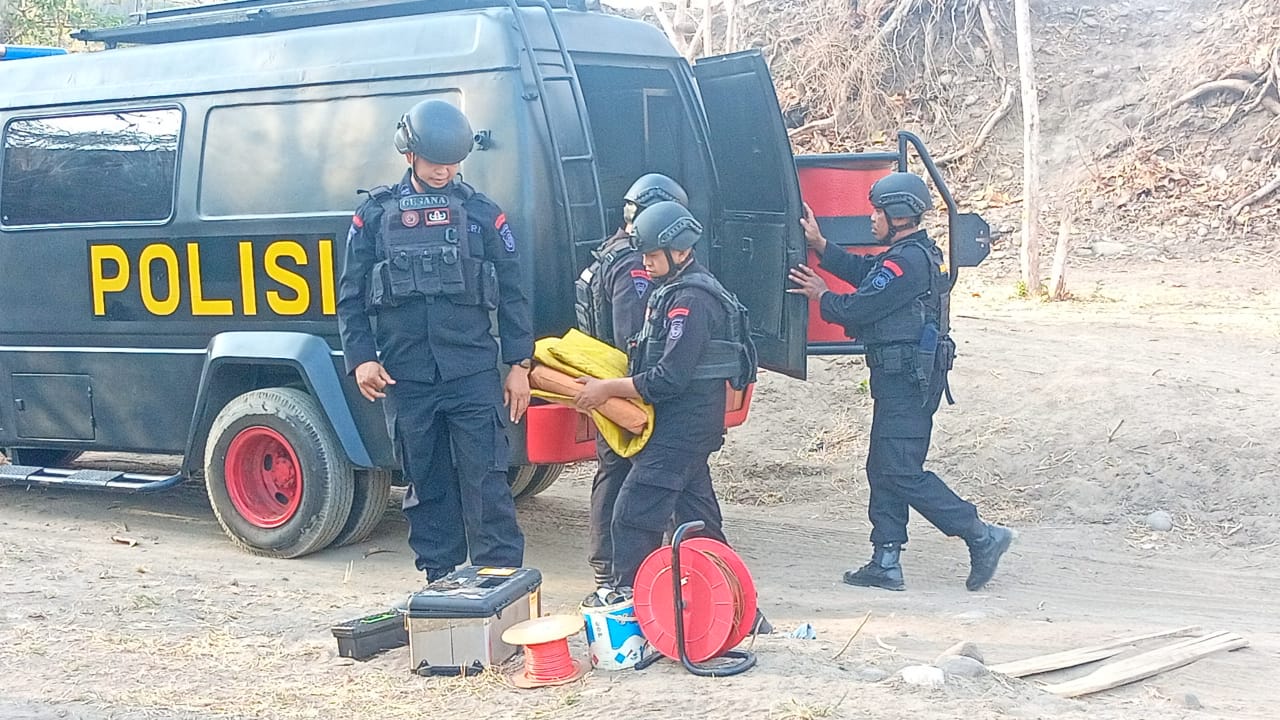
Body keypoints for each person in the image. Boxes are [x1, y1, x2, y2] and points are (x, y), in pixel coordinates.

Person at [336, 99, 534, 582]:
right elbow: (351, 295)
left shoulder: (483, 215)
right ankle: (440, 583)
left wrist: (519, 364)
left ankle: (500, 581)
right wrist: (361, 358)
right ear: (410, 157)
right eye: (434, 163)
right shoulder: (375, 216)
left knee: (488, 480)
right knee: (426, 484)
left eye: (453, 163)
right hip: (407, 376)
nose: (445, 171)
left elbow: (513, 293)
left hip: (470, 373)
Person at [787, 172, 1013, 592]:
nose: (871, 218)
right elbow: (867, 272)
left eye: (878, 211)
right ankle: (885, 560)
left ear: (898, 214)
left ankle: (980, 534)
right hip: (900, 378)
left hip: (907, 381)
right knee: (884, 467)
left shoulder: (906, 261)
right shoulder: (908, 254)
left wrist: (822, 296)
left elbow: (860, 306)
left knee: (901, 470)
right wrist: (822, 247)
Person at [573, 201, 758, 595]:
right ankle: (734, 606)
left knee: (634, 515)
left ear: (681, 251)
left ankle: (628, 602)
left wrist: (607, 389)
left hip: (682, 427)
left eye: (653, 255)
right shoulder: (672, 291)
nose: (645, 262)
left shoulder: (691, 300)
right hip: (686, 424)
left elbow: (669, 378)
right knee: (699, 522)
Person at [574, 173, 689, 598]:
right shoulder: (631, 264)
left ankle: (611, 570)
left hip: (611, 383)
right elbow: (633, 336)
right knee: (630, 474)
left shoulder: (609, 252)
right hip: (625, 388)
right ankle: (614, 574)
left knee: (615, 471)